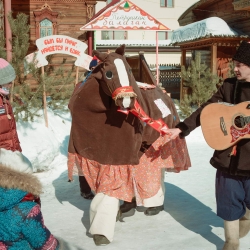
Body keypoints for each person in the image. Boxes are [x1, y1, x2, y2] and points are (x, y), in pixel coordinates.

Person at [166, 40, 250, 250]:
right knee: (228, 204)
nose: (235, 68)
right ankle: (231, 243)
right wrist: (182, 127)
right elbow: (207, 110)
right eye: (234, 63)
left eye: (240, 64)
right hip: (227, 159)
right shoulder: (229, 85)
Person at [67, 56, 99, 200]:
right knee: (83, 158)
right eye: (94, 69)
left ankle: (99, 187)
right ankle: (85, 189)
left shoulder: (103, 85)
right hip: (83, 129)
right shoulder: (81, 85)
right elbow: (72, 105)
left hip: (99, 130)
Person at [0, 58, 21, 152]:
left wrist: (17, 151)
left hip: (10, 153)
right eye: (8, 81)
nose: (11, 84)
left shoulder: (4, 98)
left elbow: (11, 131)